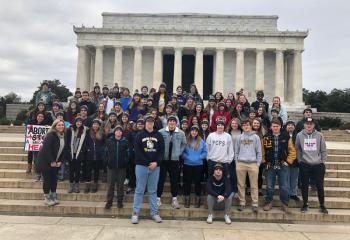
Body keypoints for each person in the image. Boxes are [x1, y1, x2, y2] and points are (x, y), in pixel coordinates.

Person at [131, 114, 165, 224]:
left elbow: (161, 151)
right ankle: (135, 213)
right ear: (145, 123)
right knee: (139, 189)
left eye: (151, 122)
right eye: (148, 122)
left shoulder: (159, 135)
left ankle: (154, 213)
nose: (150, 123)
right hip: (141, 166)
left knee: (153, 190)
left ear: (154, 123)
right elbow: (137, 151)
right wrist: (147, 163)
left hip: (155, 167)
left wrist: (156, 162)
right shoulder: (139, 135)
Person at [262, 119, 296, 212]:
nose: (275, 128)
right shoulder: (266, 137)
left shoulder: (286, 136)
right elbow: (262, 151)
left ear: (280, 126)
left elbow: (292, 151)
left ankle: (284, 204)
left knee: (284, 186)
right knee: (269, 186)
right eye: (274, 126)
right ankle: (269, 202)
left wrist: (288, 161)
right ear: (271, 127)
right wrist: (265, 162)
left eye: (277, 126)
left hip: (283, 165)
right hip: (270, 165)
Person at [295, 117, 328, 214]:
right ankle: (305, 204)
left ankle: (322, 205)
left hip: (318, 164)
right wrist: (300, 160)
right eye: (307, 124)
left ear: (313, 125)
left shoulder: (319, 135)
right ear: (304, 125)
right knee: (304, 185)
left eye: (311, 124)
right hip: (305, 164)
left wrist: (322, 161)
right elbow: (298, 149)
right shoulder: (299, 135)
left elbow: (323, 150)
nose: (309, 126)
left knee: (319, 186)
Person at [157, 115, 187, 209]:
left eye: (174, 121)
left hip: (174, 160)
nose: (172, 122)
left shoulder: (181, 133)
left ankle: (174, 199)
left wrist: (178, 153)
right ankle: (158, 198)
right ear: (167, 122)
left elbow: (184, 144)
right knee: (160, 180)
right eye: (170, 121)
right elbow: (157, 143)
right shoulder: (161, 132)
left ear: (176, 123)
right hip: (163, 160)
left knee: (174, 180)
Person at [234, 119, 262, 213]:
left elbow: (259, 152)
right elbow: (236, 151)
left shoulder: (256, 137)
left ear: (251, 126)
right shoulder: (239, 137)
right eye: (244, 125)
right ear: (242, 127)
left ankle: (255, 204)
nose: (246, 126)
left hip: (253, 164)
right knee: (241, 185)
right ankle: (242, 202)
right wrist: (237, 162)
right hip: (241, 163)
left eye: (247, 125)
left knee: (254, 185)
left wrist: (257, 164)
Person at [37, 119, 65, 206]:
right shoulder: (51, 135)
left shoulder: (63, 135)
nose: (61, 127)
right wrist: (52, 161)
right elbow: (47, 149)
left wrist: (60, 161)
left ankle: (53, 195)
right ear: (54, 126)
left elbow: (63, 150)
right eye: (59, 125)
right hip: (45, 161)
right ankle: (47, 197)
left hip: (56, 161)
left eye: (62, 125)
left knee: (54, 179)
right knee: (47, 180)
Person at [181, 125, 207, 208]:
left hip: (198, 165)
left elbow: (205, 152)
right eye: (192, 130)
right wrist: (187, 157)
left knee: (197, 182)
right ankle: (187, 199)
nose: (194, 132)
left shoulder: (201, 141)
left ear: (197, 132)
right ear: (190, 131)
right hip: (187, 164)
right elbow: (182, 152)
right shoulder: (186, 140)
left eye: (195, 131)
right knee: (187, 181)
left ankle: (198, 199)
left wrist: (199, 157)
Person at [104, 125, 129, 209]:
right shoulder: (109, 141)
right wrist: (107, 161)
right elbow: (105, 152)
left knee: (120, 185)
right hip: (111, 167)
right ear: (114, 132)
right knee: (110, 185)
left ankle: (120, 201)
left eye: (120, 131)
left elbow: (128, 153)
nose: (118, 132)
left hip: (121, 167)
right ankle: (109, 202)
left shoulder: (125, 141)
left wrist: (125, 161)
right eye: (117, 131)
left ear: (122, 132)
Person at [66, 115, 89, 193]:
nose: (78, 123)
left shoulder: (84, 130)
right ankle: (71, 185)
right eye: (77, 122)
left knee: (78, 170)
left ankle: (76, 185)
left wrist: (84, 150)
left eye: (80, 122)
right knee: (71, 170)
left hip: (79, 153)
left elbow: (85, 142)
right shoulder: (70, 129)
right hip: (71, 152)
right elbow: (67, 141)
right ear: (75, 122)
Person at [85, 119, 105, 193]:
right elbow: (85, 142)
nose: (95, 125)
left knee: (96, 171)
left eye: (97, 124)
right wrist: (87, 149)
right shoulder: (88, 133)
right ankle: (87, 186)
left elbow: (104, 144)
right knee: (88, 171)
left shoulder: (102, 134)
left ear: (99, 126)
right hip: (89, 155)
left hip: (98, 156)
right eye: (94, 124)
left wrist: (100, 150)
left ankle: (95, 186)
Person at [285, 120, 300, 201]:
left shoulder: (298, 136)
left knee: (294, 178)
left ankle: (293, 193)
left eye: (292, 125)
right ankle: (286, 193)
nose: (290, 126)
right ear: (286, 127)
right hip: (285, 161)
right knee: (286, 178)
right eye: (288, 125)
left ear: (294, 127)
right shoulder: (283, 135)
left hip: (295, 161)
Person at [227, 118, 242, 195]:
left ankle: (239, 190)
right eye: (233, 123)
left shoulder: (242, 132)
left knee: (239, 175)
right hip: (230, 156)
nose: (234, 125)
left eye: (236, 123)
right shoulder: (228, 132)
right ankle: (234, 190)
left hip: (240, 156)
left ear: (238, 124)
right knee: (232, 174)